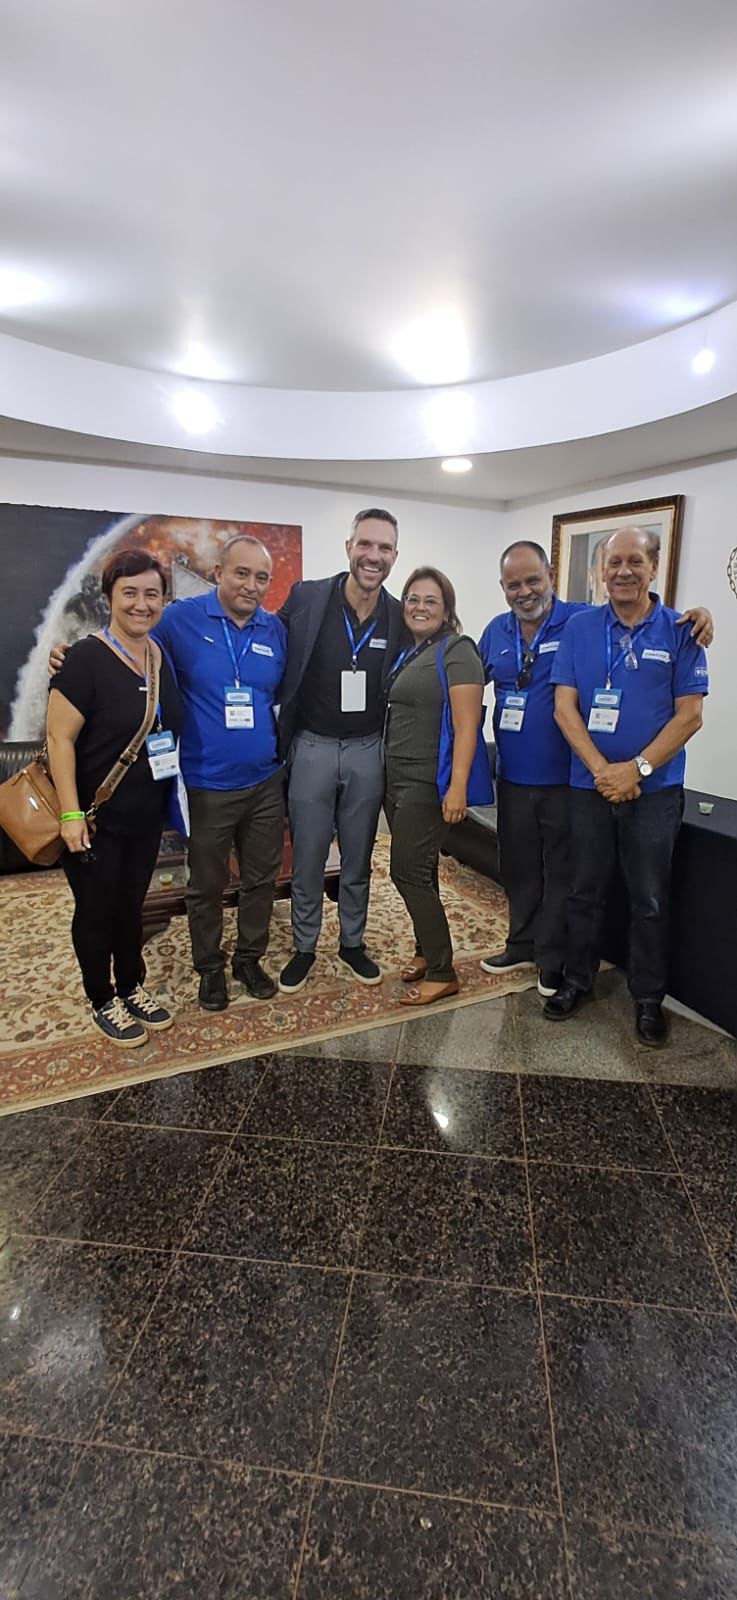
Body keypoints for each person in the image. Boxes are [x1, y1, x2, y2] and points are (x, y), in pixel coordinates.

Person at [51, 535, 287, 1012]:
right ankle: (208, 969)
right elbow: (119, 643)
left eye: (261, 577)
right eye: (241, 573)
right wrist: (67, 654)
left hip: (263, 782)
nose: (251, 584)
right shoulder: (181, 619)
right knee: (204, 885)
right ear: (218, 573)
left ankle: (248, 960)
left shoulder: (275, 630)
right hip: (204, 783)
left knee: (261, 880)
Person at [477, 540, 713, 998]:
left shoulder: (581, 621)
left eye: (532, 580)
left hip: (583, 781)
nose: (524, 592)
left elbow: (688, 711)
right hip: (527, 776)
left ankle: (582, 972)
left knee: (598, 886)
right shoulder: (510, 631)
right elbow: (472, 682)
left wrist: (703, 614)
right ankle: (535, 953)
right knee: (532, 873)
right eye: (513, 584)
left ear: (551, 575)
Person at [544, 525, 709, 1046]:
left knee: (650, 899)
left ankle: (648, 998)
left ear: (653, 567)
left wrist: (634, 770)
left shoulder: (682, 630)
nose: (623, 571)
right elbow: (563, 707)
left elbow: (690, 716)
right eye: (613, 562)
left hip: (655, 792)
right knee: (584, 891)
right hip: (589, 786)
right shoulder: (579, 627)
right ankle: (577, 980)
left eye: (635, 561)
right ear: (600, 571)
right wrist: (603, 771)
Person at [46, 550, 182, 1047]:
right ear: (109, 598)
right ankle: (102, 997)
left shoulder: (158, 655)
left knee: (131, 906)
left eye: (152, 594)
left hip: (144, 817)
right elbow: (58, 738)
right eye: (130, 593)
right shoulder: (84, 659)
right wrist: (70, 813)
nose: (141, 604)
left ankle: (130, 985)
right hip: (94, 818)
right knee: (96, 909)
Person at [275, 508, 408, 993]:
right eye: (366, 544)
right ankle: (304, 946)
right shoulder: (308, 597)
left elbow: (434, 652)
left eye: (385, 548)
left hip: (367, 751)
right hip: (311, 747)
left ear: (395, 555)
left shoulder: (398, 615)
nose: (374, 556)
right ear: (349, 547)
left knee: (357, 857)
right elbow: (263, 636)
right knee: (308, 857)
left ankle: (352, 942)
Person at [384, 567, 486, 1007]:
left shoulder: (457, 650)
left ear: (447, 610)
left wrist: (457, 787)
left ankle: (443, 972)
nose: (419, 607)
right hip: (396, 778)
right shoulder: (411, 651)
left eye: (430, 600)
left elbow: (467, 726)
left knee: (405, 871)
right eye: (412, 598)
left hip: (427, 782)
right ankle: (426, 952)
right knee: (421, 870)